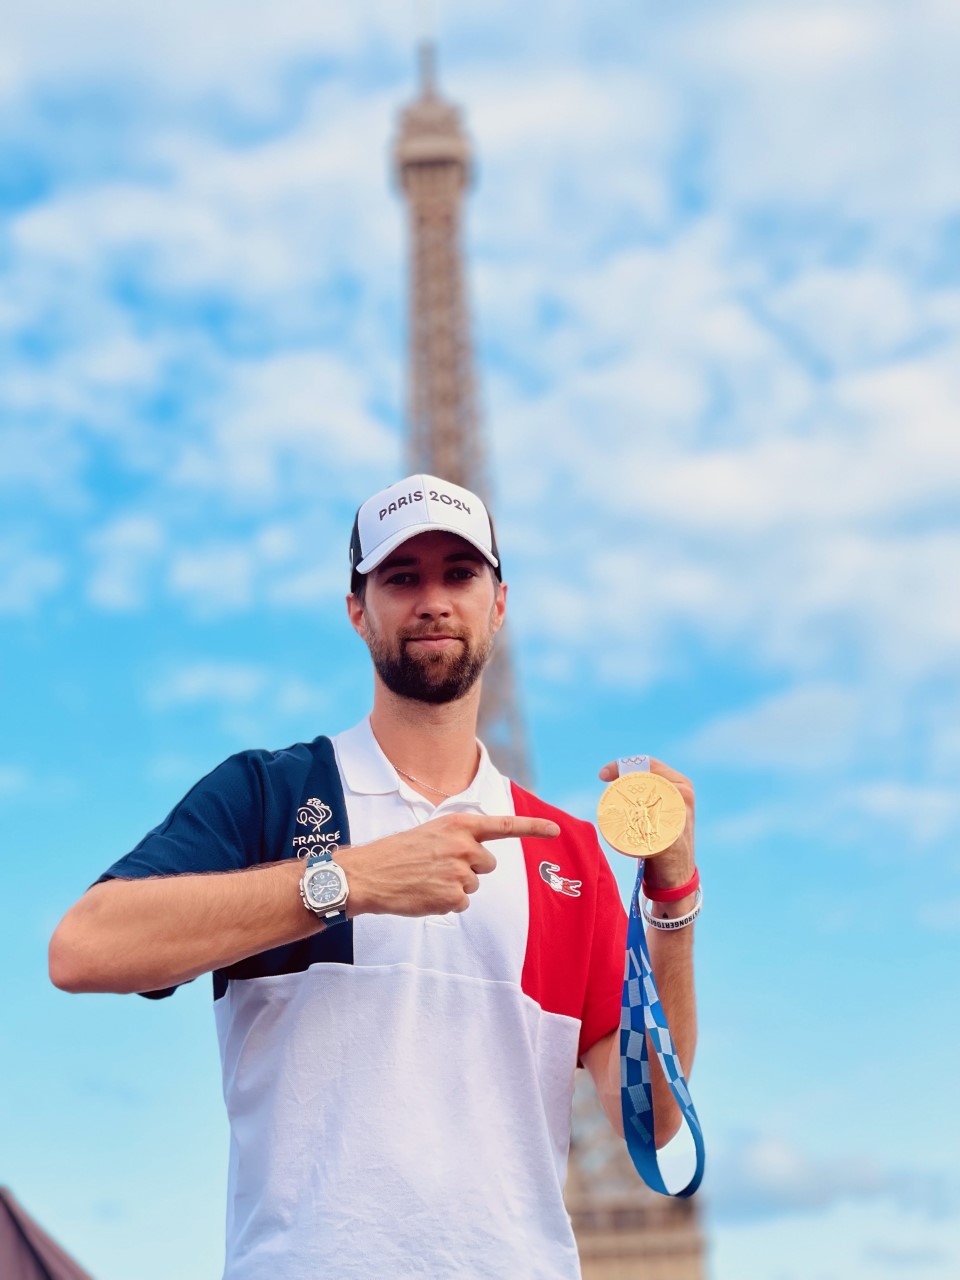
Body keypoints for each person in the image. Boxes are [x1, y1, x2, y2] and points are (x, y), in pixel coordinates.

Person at [49, 474, 699, 1280]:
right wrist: (346, 880)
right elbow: (82, 947)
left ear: (499, 603)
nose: (432, 600)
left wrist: (672, 900)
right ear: (358, 610)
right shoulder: (269, 794)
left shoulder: (563, 852)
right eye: (401, 578)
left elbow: (653, 1119)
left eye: (459, 575)